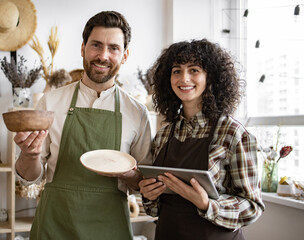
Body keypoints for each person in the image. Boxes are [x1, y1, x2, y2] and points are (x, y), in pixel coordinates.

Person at [14, 11, 153, 239]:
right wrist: (29, 155)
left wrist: (130, 176)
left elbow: (143, 183)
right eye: (96, 45)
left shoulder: (137, 112)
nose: (103, 56)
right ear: (83, 49)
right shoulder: (50, 102)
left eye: (113, 48)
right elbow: (30, 177)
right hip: (56, 224)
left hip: (109, 226)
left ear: (125, 55)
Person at [139, 39, 265, 240]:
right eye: (177, 71)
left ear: (211, 77)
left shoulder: (233, 133)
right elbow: (154, 211)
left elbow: (252, 206)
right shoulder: (164, 134)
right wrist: (149, 195)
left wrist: (208, 205)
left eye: (194, 70)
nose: (184, 78)